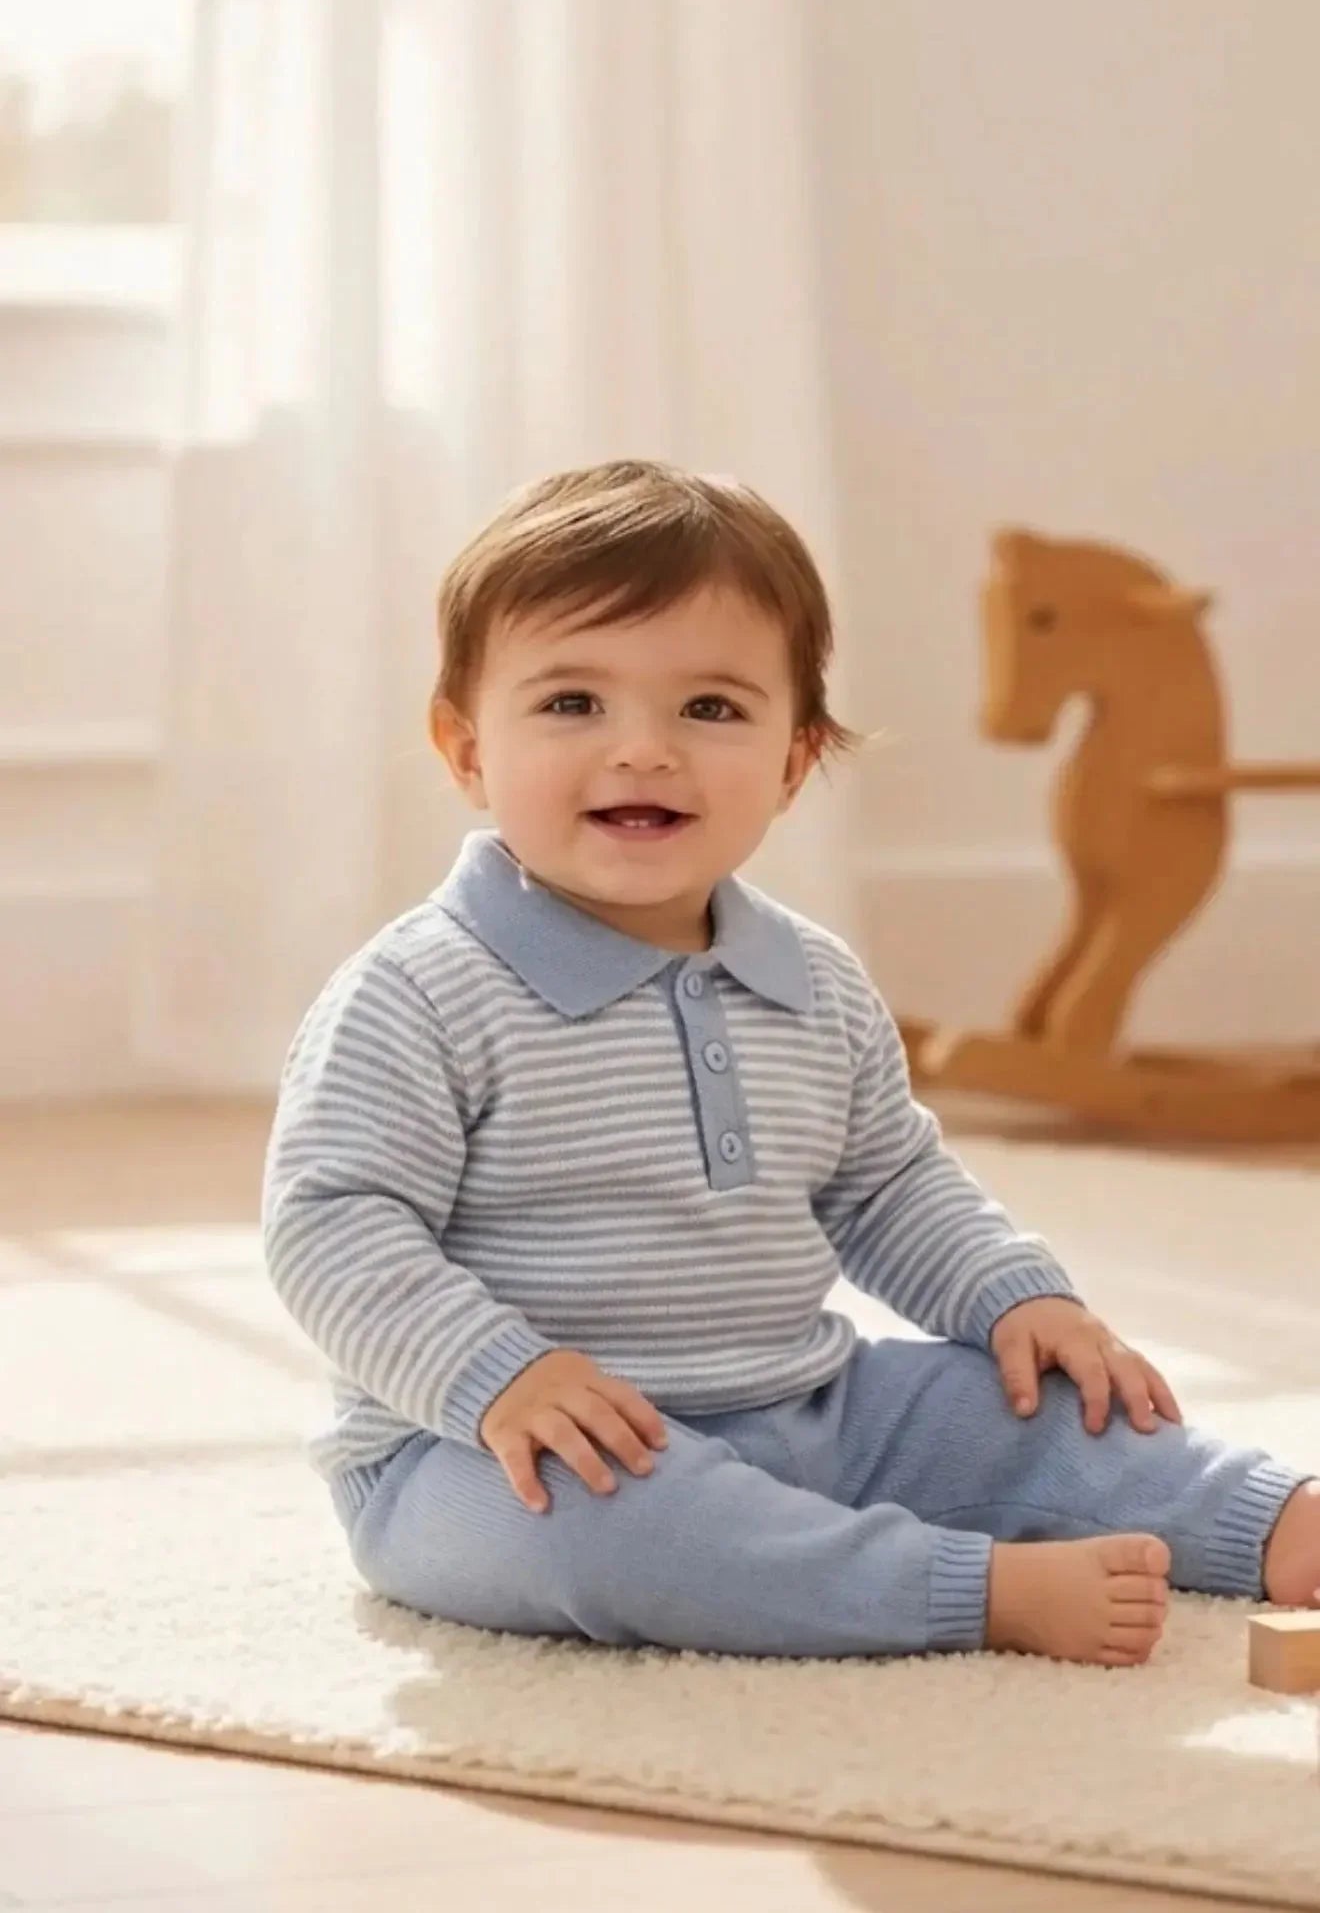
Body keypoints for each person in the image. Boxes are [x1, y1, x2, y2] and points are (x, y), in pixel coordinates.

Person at [262, 458, 1319, 1665]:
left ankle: (1274, 1522)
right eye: (572, 705)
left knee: (1033, 1409)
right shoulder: (418, 991)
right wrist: (500, 1376)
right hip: (489, 1449)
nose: (644, 751)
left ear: (794, 760)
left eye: (710, 710)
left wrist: (1017, 1296)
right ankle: (962, 1590)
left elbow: (887, 1184)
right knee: (627, 1544)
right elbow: (332, 1225)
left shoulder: (809, 978)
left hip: (806, 1404)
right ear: (465, 748)